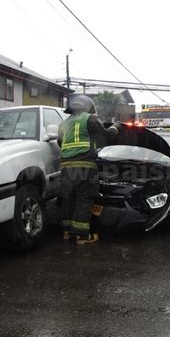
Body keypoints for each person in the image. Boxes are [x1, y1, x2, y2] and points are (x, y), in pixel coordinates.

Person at [58, 95, 121, 244]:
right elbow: (106, 135)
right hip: (85, 166)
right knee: (84, 198)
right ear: (88, 107)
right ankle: (81, 235)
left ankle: (67, 232)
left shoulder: (63, 124)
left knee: (69, 198)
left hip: (66, 168)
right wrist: (116, 127)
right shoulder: (89, 119)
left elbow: (60, 142)